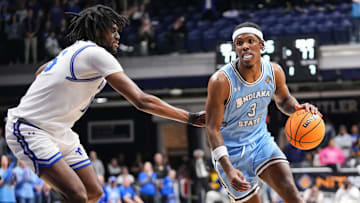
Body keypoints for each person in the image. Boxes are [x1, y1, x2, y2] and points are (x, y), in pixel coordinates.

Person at [5, 5, 205, 203]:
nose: (118, 36)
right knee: (77, 195)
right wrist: (190, 117)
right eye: (113, 30)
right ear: (99, 31)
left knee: (94, 193)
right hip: (30, 128)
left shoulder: (74, 51)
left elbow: (41, 71)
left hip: (59, 132)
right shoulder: (95, 53)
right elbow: (141, 100)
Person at [205, 22, 320, 203]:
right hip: (231, 153)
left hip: (260, 142)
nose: (245, 46)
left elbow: (284, 100)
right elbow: (212, 129)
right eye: (239, 43)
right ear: (235, 48)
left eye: (250, 41)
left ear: (261, 45)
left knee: (291, 192)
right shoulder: (220, 81)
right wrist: (227, 168)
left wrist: (298, 110)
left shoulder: (274, 71)